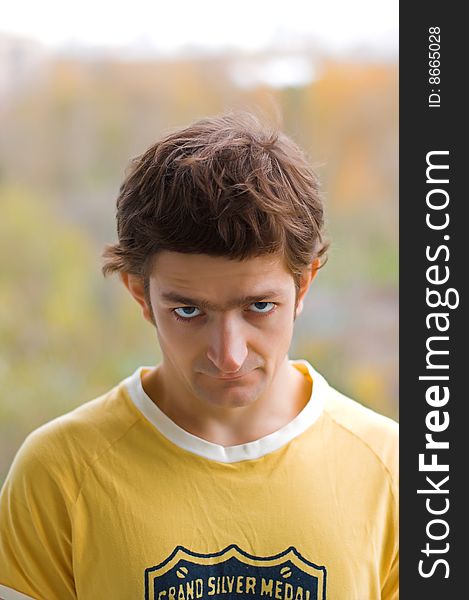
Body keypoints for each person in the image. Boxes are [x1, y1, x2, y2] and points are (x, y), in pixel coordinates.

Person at [0, 113, 398, 600]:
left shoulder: (393, 469)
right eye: (188, 310)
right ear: (140, 294)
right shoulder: (59, 472)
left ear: (304, 283)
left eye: (259, 307)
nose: (228, 356)